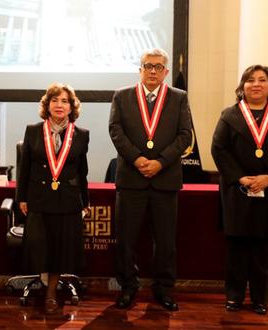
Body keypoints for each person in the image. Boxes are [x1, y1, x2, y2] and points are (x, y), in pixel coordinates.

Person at [211, 65, 268, 315]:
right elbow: (219, 150)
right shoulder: (229, 115)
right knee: (236, 250)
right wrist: (241, 178)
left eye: (262, 80)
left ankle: (260, 299)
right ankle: (234, 297)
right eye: (250, 80)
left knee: (263, 250)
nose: (256, 84)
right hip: (237, 191)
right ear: (242, 86)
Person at [109, 48, 192, 311]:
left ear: (166, 71)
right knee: (126, 240)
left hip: (165, 180)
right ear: (140, 69)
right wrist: (137, 159)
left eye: (158, 67)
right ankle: (127, 287)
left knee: (166, 241)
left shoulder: (179, 98)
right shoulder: (122, 96)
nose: (153, 71)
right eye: (148, 66)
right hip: (131, 179)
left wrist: (160, 162)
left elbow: (184, 136)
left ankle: (163, 289)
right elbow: (115, 130)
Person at [17, 83, 89, 314]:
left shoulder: (81, 135)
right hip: (38, 198)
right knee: (40, 245)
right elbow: (24, 169)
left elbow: (82, 172)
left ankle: (50, 293)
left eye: (65, 101)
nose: (60, 105)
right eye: (55, 100)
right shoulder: (32, 130)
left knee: (59, 248)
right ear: (47, 105)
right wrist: (22, 198)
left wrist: (84, 202)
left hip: (67, 200)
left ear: (71, 107)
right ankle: (44, 282)